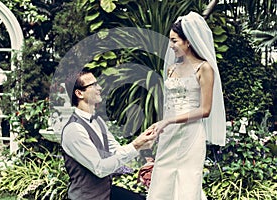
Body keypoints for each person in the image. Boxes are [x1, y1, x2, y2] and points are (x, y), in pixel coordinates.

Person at [146, 12, 226, 200]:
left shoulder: (204, 68)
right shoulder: (171, 68)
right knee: (162, 183)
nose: (171, 46)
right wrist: (160, 128)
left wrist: (169, 121)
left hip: (191, 135)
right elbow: (169, 105)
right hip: (169, 135)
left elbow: (205, 110)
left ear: (188, 41)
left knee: (187, 186)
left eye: (175, 41)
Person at [61, 69, 157, 200]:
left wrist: (142, 148)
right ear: (79, 93)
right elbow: (100, 169)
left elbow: (116, 151)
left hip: (106, 193)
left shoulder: (98, 121)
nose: (99, 87)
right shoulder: (73, 130)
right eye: (93, 85)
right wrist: (135, 145)